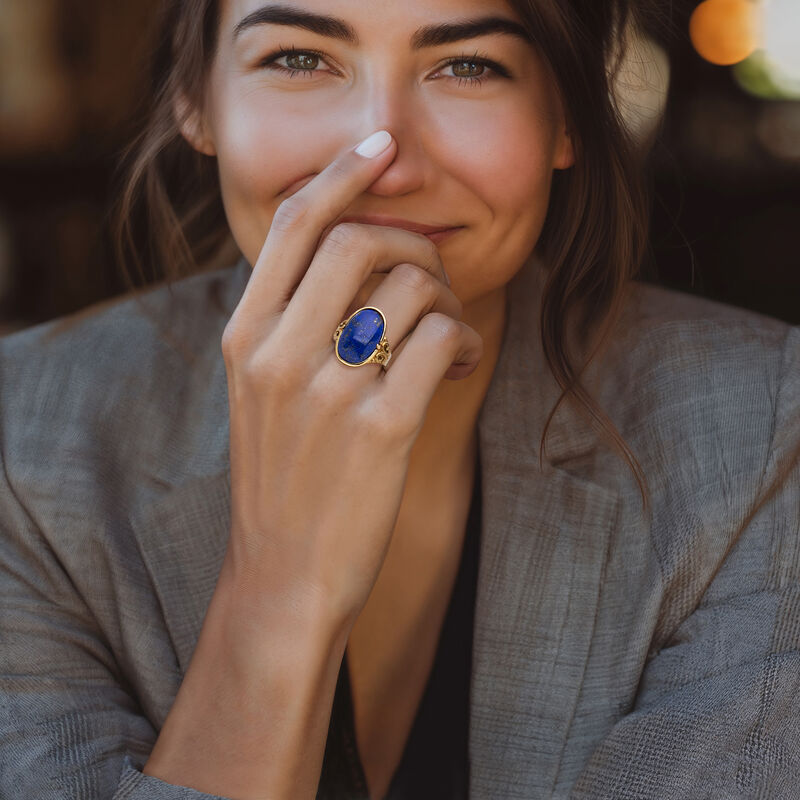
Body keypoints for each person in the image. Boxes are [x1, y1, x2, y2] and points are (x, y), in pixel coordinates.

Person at [1, 1, 798, 798]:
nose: (380, 158)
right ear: (196, 99)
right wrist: (281, 582)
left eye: (468, 66)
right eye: (298, 59)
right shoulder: (24, 442)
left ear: (568, 117)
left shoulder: (761, 426)